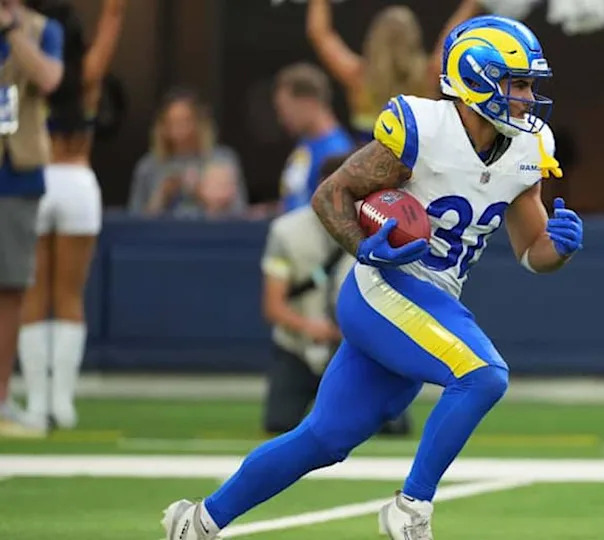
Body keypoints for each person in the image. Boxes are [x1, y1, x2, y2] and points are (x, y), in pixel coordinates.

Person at [161, 15, 583, 540]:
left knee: (323, 438)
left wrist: (558, 248)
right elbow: (331, 195)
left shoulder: (525, 149)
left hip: (430, 302)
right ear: (477, 78)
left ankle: (197, 521)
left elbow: (531, 252)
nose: (527, 98)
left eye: (529, 85)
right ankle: (411, 508)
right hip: (383, 289)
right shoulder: (423, 129)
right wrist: (363, 246)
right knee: (483, 374)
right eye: (517, 83)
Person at [15, 0, 125, 432]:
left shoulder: (29, 65)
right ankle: (62, 403)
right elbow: (113, 15)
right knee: (69, 297)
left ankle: (37, 403)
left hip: (36, 178)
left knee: (33, 294)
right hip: (77, 183)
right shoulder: (88, 74)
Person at [0, 0, 64, 438]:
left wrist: (11, 31)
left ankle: (1, 398)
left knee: (10, 289)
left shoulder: (43, 29)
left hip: (17, 175)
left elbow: (48, 78)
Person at [260, 156, 351, 435]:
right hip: (299, 347)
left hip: (353, 351)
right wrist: (309, 326)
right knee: (279, 423)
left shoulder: (376, 228)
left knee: (390, 426)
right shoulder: (286, 231)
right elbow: (273, 305)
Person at [307, 0, 481, 141]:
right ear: (415, 39)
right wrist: (473, 3)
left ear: (373, 38)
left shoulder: (357, 77)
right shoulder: (430, 74)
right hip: (419, 172)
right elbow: (453, 34)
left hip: (369, 173)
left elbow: (320, 34)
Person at [127, 88, 246, 217]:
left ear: (199, 123)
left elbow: (240, 212)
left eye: (186, 121)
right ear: (162, 127)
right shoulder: (148, 166)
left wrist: (203, 193)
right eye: (172, 122)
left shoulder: (222, 159)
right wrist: (162, 195)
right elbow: (133, 219)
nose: (179, 129)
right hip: (164, 229)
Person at [274, 62, 353, 213]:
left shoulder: (337, 151)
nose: (282, 118)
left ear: (308, 102)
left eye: (284, 108)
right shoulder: (304, 144)